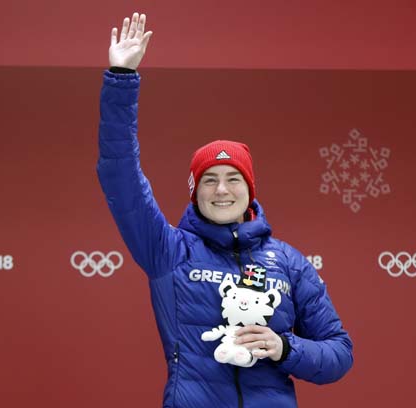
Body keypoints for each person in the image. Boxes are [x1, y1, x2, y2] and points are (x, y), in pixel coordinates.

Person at [97, 12, 353, 408]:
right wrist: (121, 79)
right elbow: (120, 176)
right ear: (194, 190)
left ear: (249, 190)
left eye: (233, 179)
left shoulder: (288, 262)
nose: (221, 190)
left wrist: (284, 347)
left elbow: (339, 354)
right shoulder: (169, 250)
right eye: (209, 179)